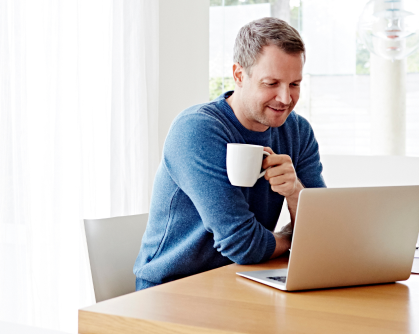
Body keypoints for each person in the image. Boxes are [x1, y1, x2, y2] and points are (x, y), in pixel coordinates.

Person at [133, 17, 326, 290]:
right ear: (239, 75)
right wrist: (288, 240)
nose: (285, 98)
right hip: (171, 289)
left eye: (294, 84)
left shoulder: (297, 131)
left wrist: (295, 191)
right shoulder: (197, 130)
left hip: (241, 280)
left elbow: (322, 233)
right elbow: (243, 244)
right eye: (271, 83)